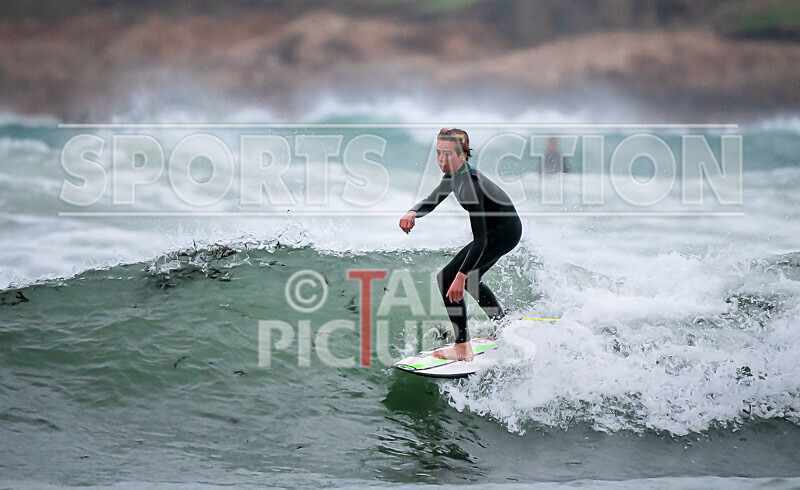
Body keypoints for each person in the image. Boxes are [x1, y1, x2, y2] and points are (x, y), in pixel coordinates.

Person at [399, 128, 522, 361]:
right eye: (438, 154)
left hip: (504, 233)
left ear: (463, 155)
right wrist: (413, 211)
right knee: (467, 279)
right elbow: (433, 200)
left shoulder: (471, 186)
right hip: (503, 229)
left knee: (448, 278)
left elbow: (482, 240)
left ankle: (462, 347)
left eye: (447, 154)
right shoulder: (454, 175)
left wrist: (461, 275)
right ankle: (502, 323)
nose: (441, 160)